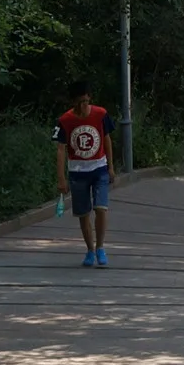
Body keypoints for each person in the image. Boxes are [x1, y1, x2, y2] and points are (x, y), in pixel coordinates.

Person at [55, 82, 115, 266]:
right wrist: (61, 179)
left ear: (90, 98)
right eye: (79, 102)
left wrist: (111, 167)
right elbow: (60, 149)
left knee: (101, 208)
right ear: (73, 101)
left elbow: (106, 140)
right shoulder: (65, 120)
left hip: (99, 169)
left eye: (86, 101)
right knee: (83, 213)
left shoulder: (101, 114)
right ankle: (90, 250)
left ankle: (100, 247)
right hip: (78, 172)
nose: (83, 106)